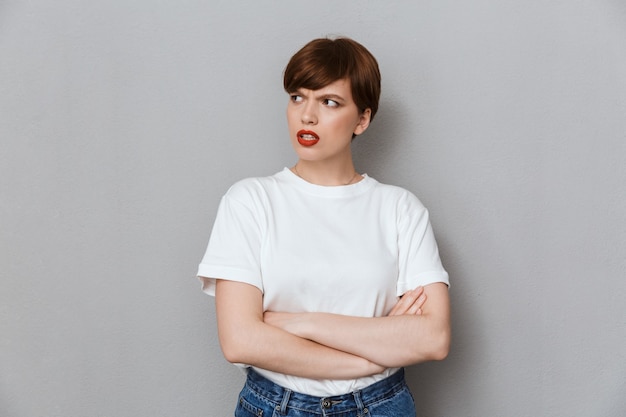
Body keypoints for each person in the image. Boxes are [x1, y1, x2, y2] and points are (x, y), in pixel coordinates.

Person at [197, 37, 450, 417]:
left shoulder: (400, 209)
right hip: (275, 406)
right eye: (298, 97)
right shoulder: (250, 200)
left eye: (329, 102)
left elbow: (433, 338)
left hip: (380, 407)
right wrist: (370, 358)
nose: (307, 116)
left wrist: (298, 322)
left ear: (362, 119)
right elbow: (241, 341)